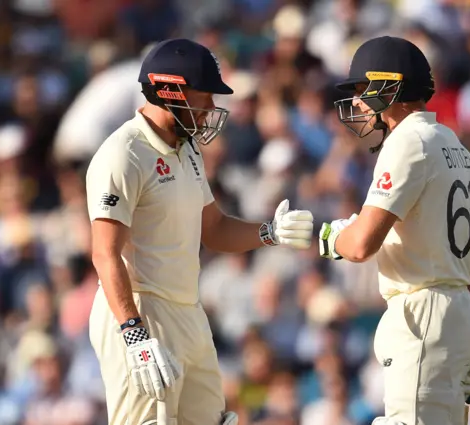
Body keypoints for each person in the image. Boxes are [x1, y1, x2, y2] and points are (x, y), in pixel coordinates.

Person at [85, 38, 314, 425]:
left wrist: (271, 232)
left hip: (187, 310)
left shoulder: (187, 149)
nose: (210, 109)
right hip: (141, 310)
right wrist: (134, 334)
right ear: (169, 91)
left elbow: (216, 228)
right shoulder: (123, 153)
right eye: (203, 97)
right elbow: (105, 254)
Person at [318, 36, 470, 425]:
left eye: (363, 90)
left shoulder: (407, 143)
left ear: (389, 87)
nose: (359, 102)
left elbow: (362, 244)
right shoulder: (455, 145)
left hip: (423, 315)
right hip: (458, 312)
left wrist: (330, 237)